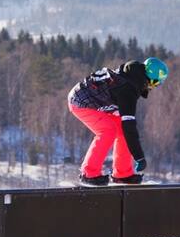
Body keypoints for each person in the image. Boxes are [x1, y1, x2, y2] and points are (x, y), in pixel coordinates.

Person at [67, 57, 168, 186]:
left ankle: (123, 174)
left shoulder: (133, 76)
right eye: (156, 83)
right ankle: (88, 174)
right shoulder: (128, 90)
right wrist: (139, 157)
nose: (154, 87)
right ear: (150, 79)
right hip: (80, 102)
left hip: (96, 101)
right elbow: (130, 127)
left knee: (121, 129)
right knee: (108, 131)